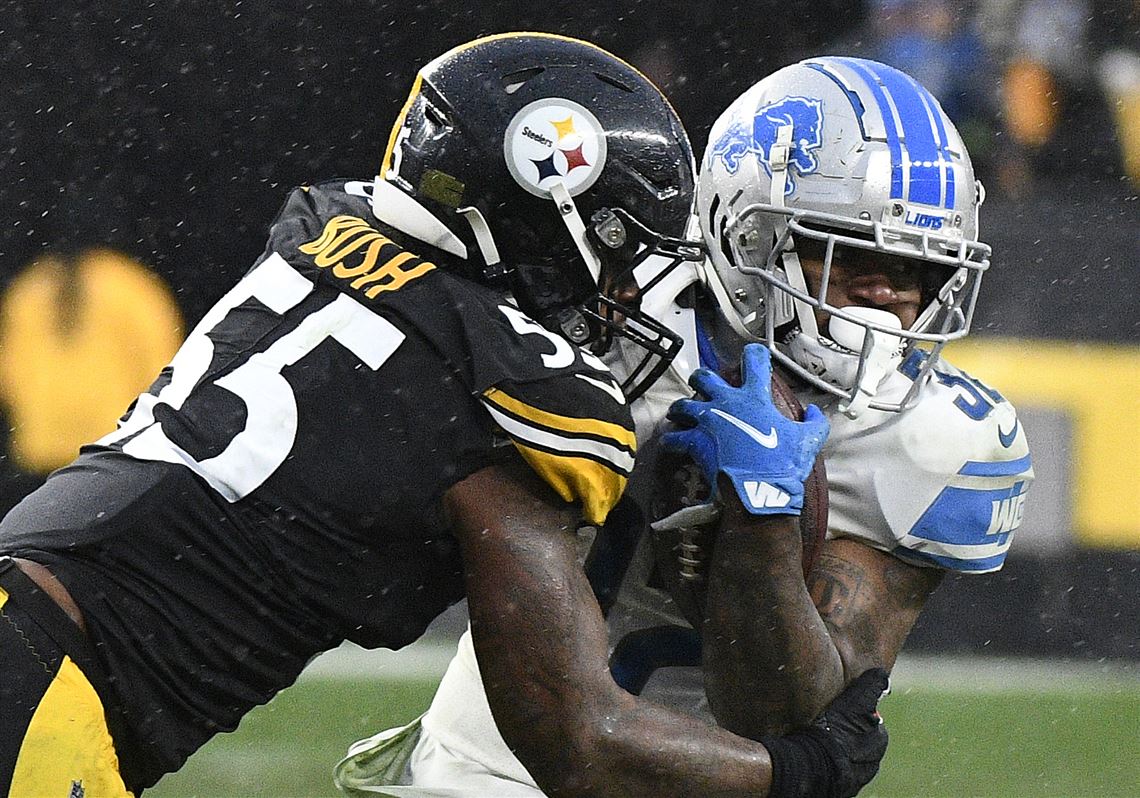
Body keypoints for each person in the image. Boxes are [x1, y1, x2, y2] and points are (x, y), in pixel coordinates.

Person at [0, 35, 888, 798]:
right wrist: (799, 768)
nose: (625, 292)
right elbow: (579, 744)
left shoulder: (325, 228)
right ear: (544, 219)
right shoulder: (513, 388)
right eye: (619, 252)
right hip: (50, 687)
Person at [336, 55, 1033, 795]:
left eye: (916, 269)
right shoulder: (607, 310)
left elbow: (796, 724)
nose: (883, 295)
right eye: (848, 253)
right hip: (490, 768)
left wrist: (762, 522)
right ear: (744, 235)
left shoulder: (944, 437)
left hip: (721, 779)